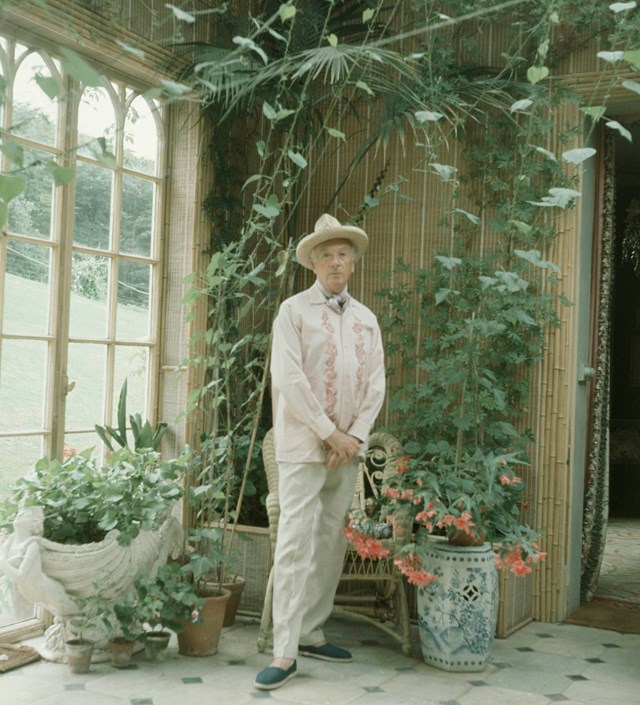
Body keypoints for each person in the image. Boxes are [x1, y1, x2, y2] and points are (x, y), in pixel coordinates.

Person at [254, 214, 386, 690]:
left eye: (343, 253)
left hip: (344, 451)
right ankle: (285, 651)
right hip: (303, 448)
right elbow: (289, 380)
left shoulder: (366, 319)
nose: (336, 261)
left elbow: (376, 386)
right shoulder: (293, 312)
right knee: (294, 544)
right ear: (312, 261)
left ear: (353, 262)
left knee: (330, 540)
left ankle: (310, 631)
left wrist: (354, 438)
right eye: (327, 254)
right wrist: (331, 433)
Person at [0, 506, 78, 618]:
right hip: (27, 594)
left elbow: (20, 576)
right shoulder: (9, 542)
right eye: (19, 513)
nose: (19, 515)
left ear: (34, 524)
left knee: (75, 610)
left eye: (25, 515)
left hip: (45, 590)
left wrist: (2, 561)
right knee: (61, 615)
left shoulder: (32, 545)